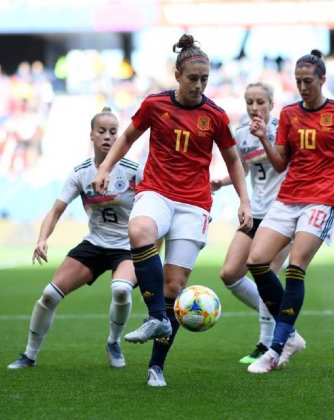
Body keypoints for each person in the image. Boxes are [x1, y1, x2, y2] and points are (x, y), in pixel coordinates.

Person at [91, 34, 252, 387]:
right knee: (139, 231)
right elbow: (127, 138)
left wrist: (243, 200)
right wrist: (104, 168)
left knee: (175, 287)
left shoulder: (215, 116)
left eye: (204, 79)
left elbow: (232, 160)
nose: (199, 85)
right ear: (177, 75)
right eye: (192, 78)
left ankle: (156, 367)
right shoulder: (155, 105)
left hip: (194, 204)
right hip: (157, 192)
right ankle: (156, 317)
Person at [244, 49, 334, 374]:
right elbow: (280, 164)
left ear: (322, 80)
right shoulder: (289, 114)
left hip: (322, 200)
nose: (303, 87)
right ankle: (288, 334)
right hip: (288, 198)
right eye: (298, 82)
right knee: (256, 261)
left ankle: (276, 347)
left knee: (295, 266)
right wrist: (264, 139)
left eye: (308, 81)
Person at [8, 107, 138, 370]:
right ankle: (29, 355)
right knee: (48, 295)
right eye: (101, 131)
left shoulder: (134, 170)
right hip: (95, 243)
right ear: (91, 135)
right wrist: (42, 239)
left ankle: (113, 342)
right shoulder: (80, 172)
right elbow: (56, 210)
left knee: (122, 290)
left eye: (113, 132)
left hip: (127, 247)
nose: (107, 137)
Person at [210, 82, 290, 364]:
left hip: (281, 213)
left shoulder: (283, 129)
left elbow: (283, 165)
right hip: (254, 212)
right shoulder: (242, 134)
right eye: (250, 103)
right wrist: (221, 181)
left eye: (260, 102)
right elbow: (243, 169)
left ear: (271, 103)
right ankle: (284, 319)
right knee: (230, 273)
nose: (255, 108)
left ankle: (268, 343)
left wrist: (265, 137)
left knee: (265, 273)